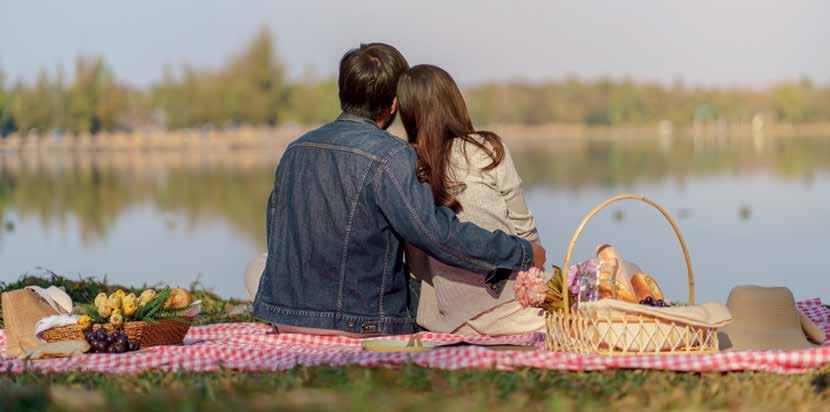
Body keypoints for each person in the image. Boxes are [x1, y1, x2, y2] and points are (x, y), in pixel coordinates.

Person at [251, 43, 546, 337]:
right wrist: (520, 252)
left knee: (256, 266)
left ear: (343, 93)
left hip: (284, 315)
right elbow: (437, 235)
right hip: (359, 322)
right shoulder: (391, 156)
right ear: (394, 104)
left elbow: (277, 233)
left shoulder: (295, 149)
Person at [398, 65, 545, 336]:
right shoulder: (487, 148)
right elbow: (525, 230)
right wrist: (538, 280)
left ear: (407, 114)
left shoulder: (408, 164)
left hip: (452, 318)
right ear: (454, 101)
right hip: (511, 303)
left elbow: (416, 265)